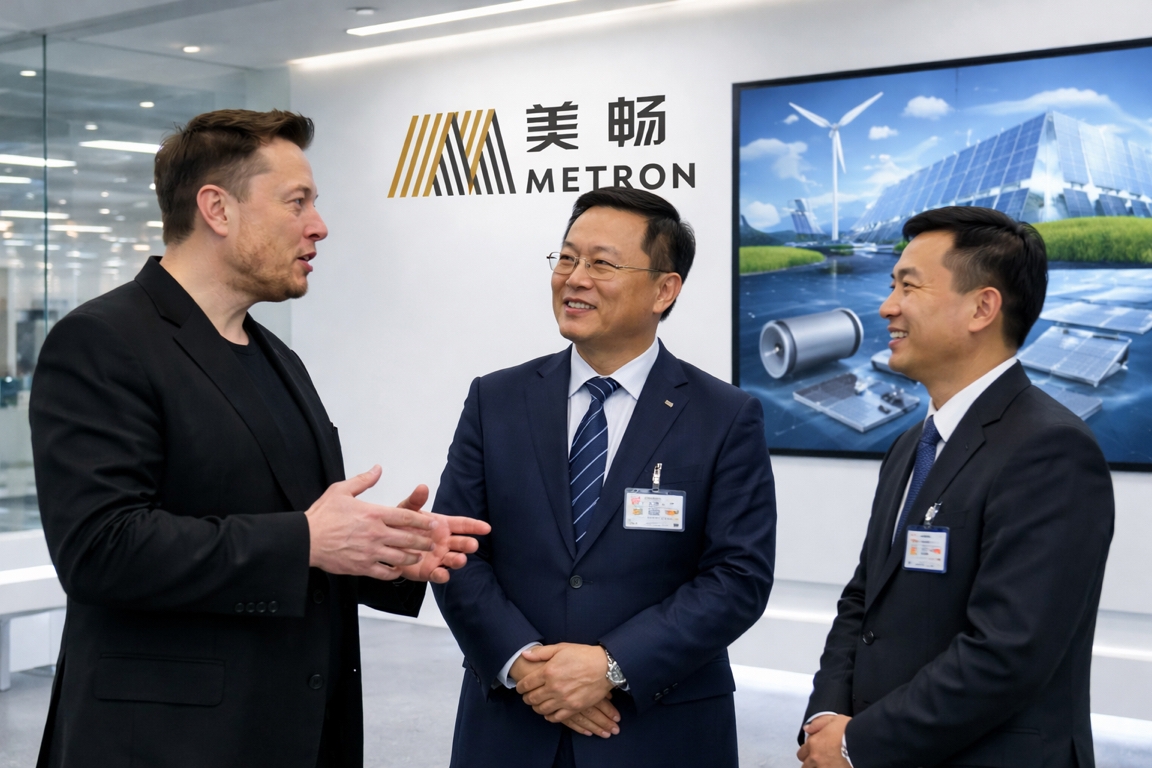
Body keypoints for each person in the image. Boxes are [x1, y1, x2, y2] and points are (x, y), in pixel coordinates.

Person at [29, 109, 489, 768]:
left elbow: (290, 525)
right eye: (297, 202)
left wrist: (377, 551)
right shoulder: (101, 340)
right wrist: (308, 540)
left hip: (290, 729)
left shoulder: (276, 356)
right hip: (166, 745)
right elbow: (100, 549)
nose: (319, 226)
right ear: (217, 209)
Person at [431, 187, 777, 768]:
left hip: (658, 731)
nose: (575, 278)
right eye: (566, 258)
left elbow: (738, 578)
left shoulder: (724, 416)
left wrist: (611, 666)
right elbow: (454, 548)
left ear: (664, 290)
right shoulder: (496, 399)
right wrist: (526, 666)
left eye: (601, 264)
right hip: (512, 724)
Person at [798, 206, 1114, 768]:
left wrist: (857, 744)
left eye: (909, 286)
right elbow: (864, 599)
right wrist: (826, 716)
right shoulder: (910, 446)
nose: (887, 306)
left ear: (982, 308)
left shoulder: (1051, 450)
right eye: (892, 285)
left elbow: (1006, 653)